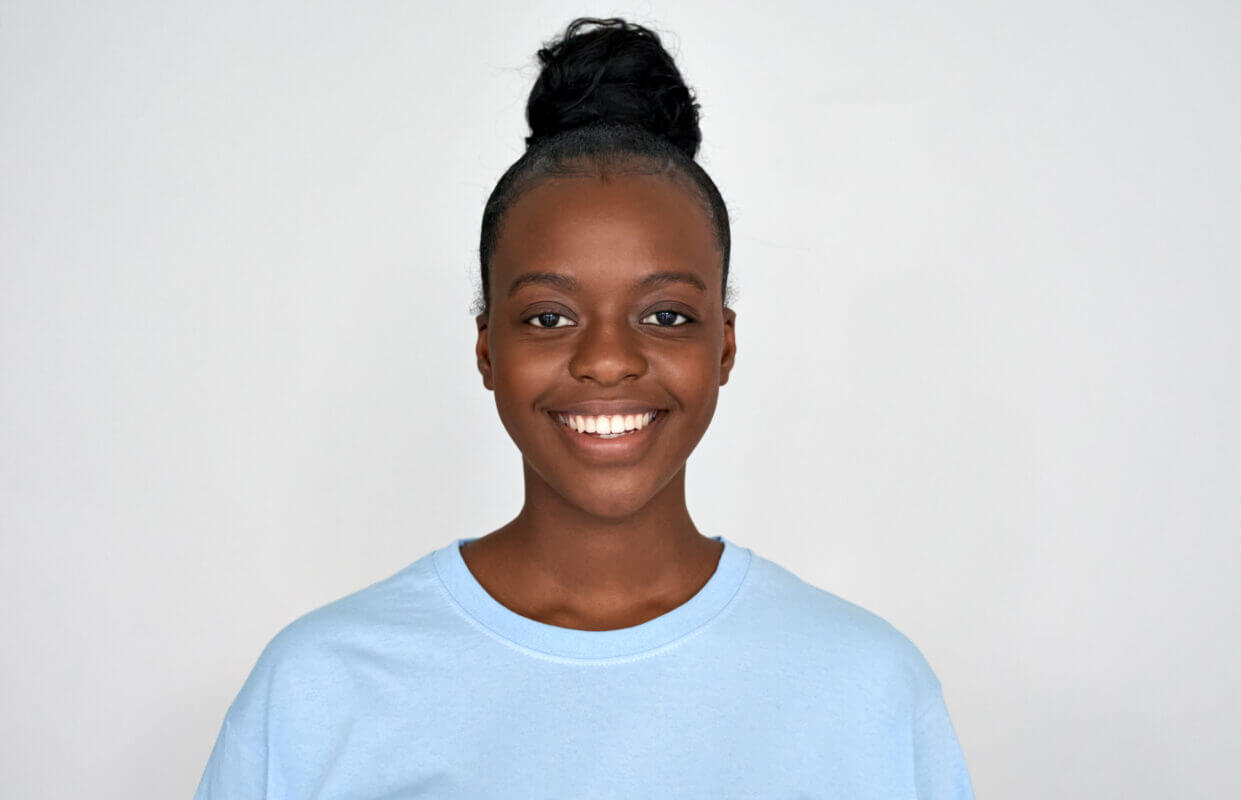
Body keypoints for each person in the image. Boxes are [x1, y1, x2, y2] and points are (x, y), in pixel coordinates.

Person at [193, 17, 975, 799]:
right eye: (548, 317)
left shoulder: (865, 688)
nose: (606, 359)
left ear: (724, 346)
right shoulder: (320, 689)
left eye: (665, 315)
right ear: (486, 349)